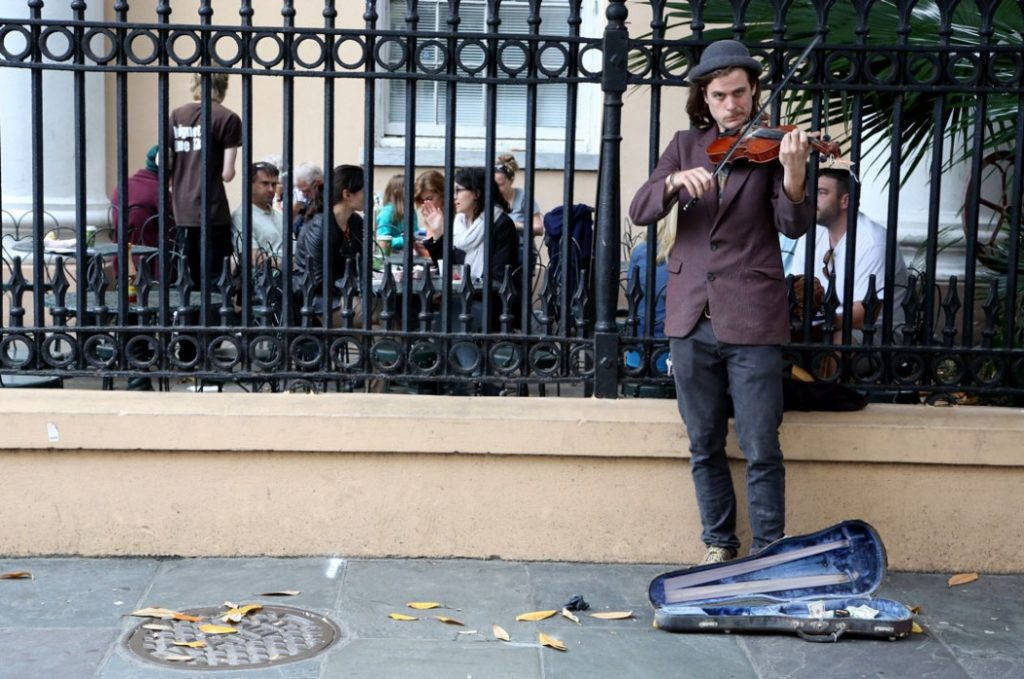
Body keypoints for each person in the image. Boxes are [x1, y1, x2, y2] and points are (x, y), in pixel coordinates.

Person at [628, 39, 815, 564]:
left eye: (739, 93)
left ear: (754, 91)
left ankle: (772, 550)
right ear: (704, 100)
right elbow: (639, 209)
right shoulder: (686, 145)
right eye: (719, 96)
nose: (731, 104)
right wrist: (670, 184)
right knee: (704, 442)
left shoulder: (777, 146)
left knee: (761, 446)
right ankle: (719, 544)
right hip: (690, 317)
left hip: (752, 314)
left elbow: (793, 224)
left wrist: (795, 175)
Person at [788, 159, 909, 341]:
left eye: (821, 192)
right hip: (824, 325)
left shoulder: (873, 242)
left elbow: (865, 313)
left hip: (875, 333)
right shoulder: (811, 233)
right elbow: (798, 288)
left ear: (845, 201)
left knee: (839, 339)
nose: (812, 198)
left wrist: (815, 328)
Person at [420, 167, 521, 331]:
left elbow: (498, 278)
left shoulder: (501, 224)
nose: (454, 196)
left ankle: (451, 356)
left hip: (491, 304)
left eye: (458, 190)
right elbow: (449, 266)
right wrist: (439, 232)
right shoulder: (460, 223)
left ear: (476, 193)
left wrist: (456, 291)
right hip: (461, 297)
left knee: (448, 319)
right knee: (426, 311)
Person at [168, 73, 241, 288]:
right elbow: (228, 173)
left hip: (182, 209)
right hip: (212, 210)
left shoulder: (176, 115)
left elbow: (163, 159)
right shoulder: (227, 118)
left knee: (187, 279)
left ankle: (189, 320)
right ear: (223, 86)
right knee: (216, 278)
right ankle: (214, 320)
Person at [293, 164, 368, 326]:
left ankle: (374, 351)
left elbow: (359, 263)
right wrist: (351, 289)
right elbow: (317, 279)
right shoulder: (320, 225)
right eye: (365, 190)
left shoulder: (355, 222)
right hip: (315, 300)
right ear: (347, 194)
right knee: (379, 312)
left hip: (341, 294)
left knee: (381, 317)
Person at [110, 144, 175, 277]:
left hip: (122, 263)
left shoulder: (122, 186)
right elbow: (172, 232)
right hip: (152, 266)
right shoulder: (161, 193)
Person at [231, 161, 283, 259]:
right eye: (265, 183)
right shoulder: (241, 217)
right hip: (269, 273)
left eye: (274, 184)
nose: (271, 189)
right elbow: (254, 257)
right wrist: (288, 265)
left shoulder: (280, 216)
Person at [494, 154, 543, 235]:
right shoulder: (489, 197)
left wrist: (517, 226)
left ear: (511, 180)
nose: (495, 188)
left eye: (500, 184)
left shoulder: (523, 197)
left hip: (520, 245)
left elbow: (539, 229)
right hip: (496, 245)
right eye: (493, 184)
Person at [375, 173, 419, 252]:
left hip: (409, 254)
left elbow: (415, 233)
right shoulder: (386, 213)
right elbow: (383, 241)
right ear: (397, 192)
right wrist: (407, 240)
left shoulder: (411, 211)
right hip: (390, 256)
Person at [289, 162, 324, 238]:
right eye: (301, 191)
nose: (304, 195)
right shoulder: (309, 201)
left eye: (306, 191)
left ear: (318, 183)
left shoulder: (327, 203)